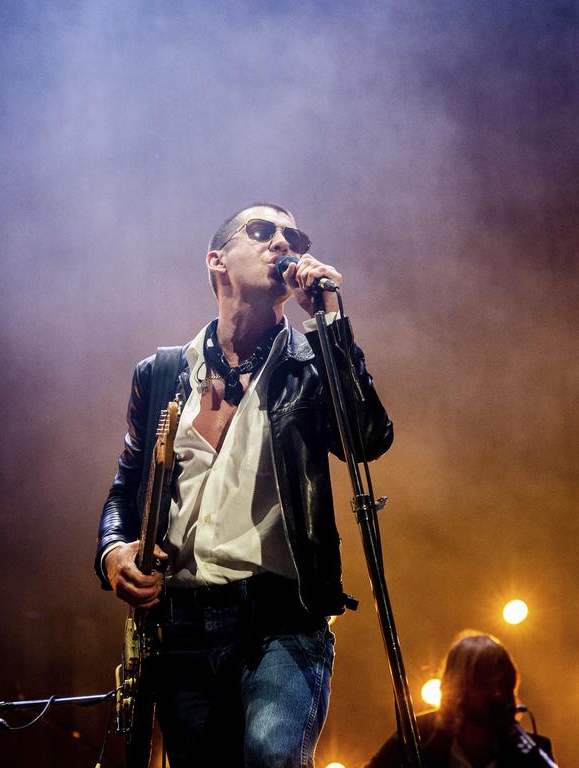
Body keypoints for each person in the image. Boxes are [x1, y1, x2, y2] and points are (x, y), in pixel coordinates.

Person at [95, 203, 394, 767]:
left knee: (270, 758)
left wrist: (329, 325)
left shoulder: (309, 364)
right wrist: (115, 552)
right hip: (181, 625)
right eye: (262, 232)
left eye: (293, 235)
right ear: (217, 262)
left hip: (280, 620)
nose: (283, 242)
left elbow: (367, 441)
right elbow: (123, 490)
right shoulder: (159, 373)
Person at [367, 632, 558, 768]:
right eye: (486, 684)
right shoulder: (418, 736)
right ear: (458, 686)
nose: (497, 694)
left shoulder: (531, 752)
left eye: (504, 684)